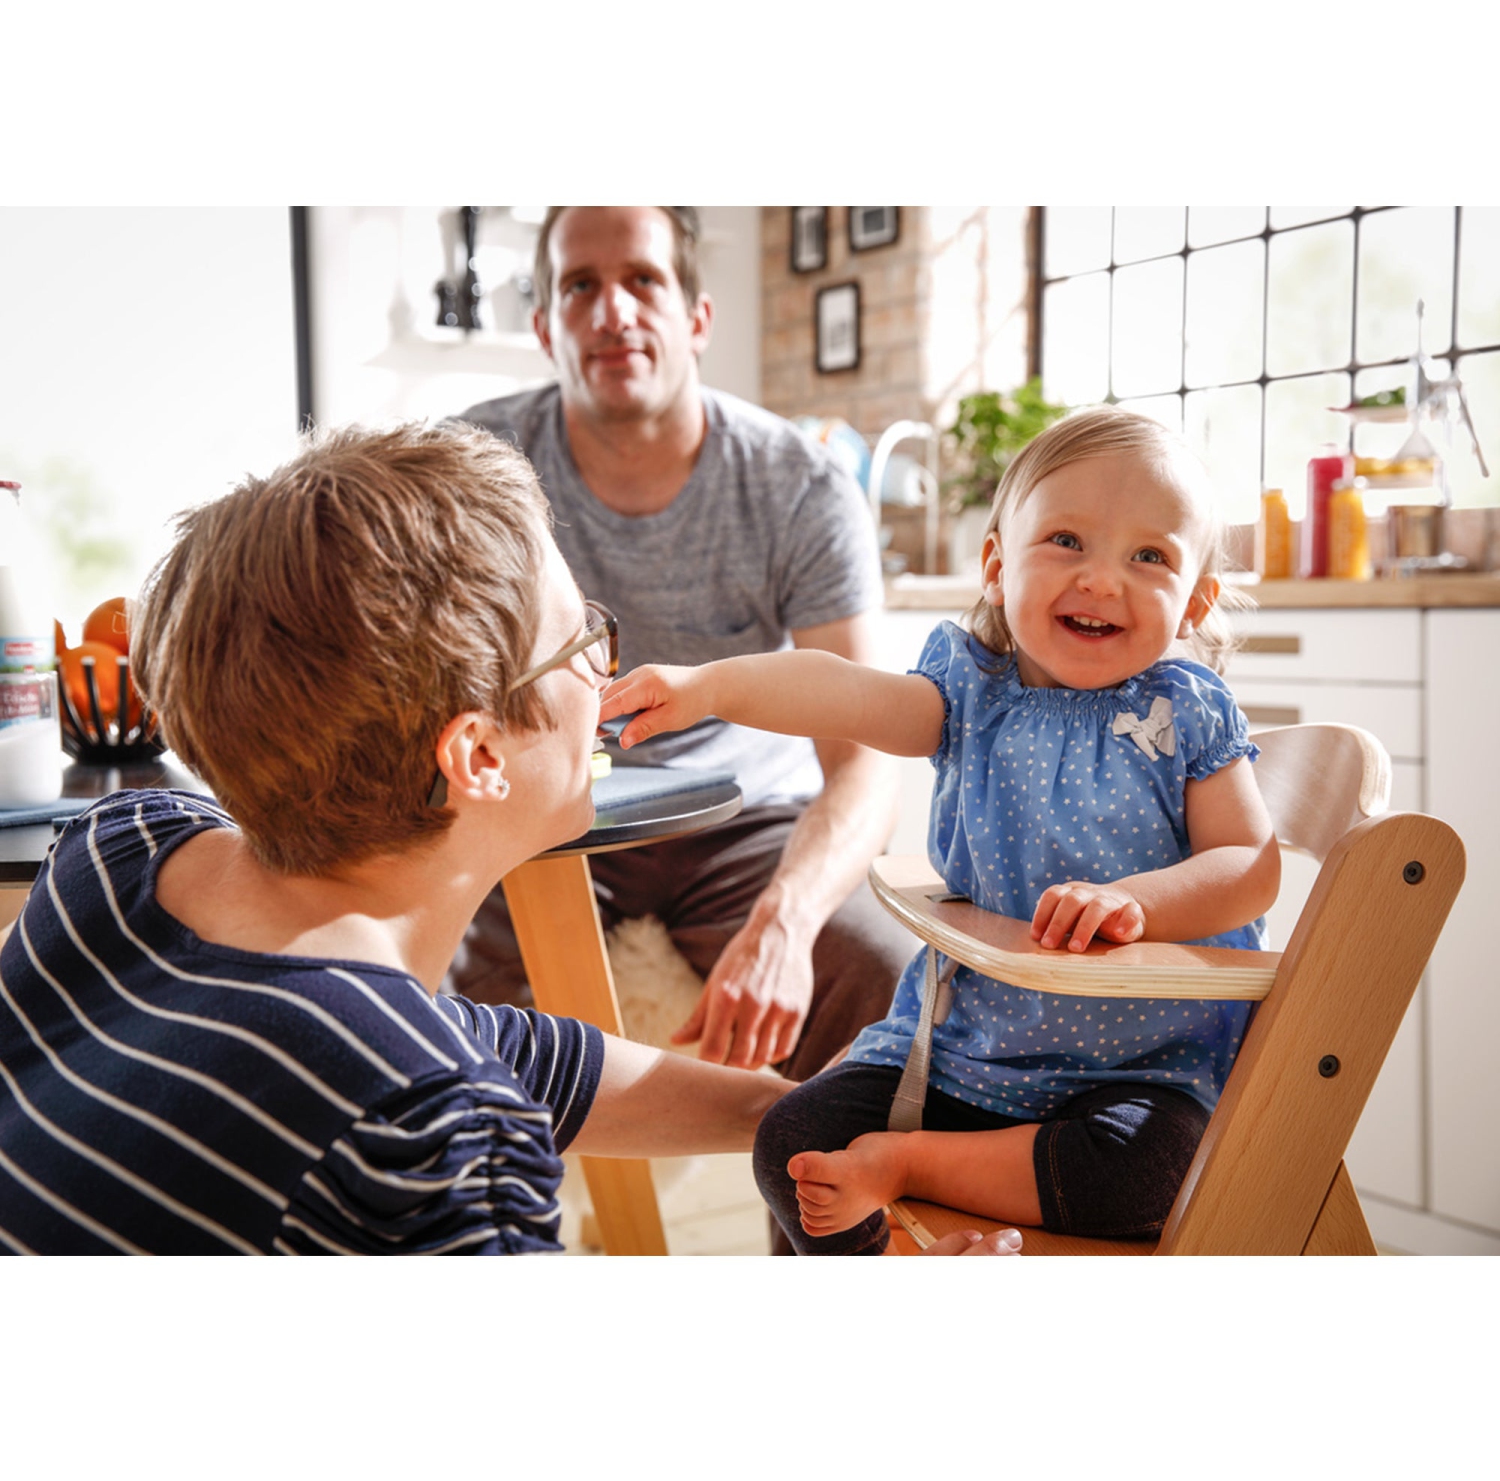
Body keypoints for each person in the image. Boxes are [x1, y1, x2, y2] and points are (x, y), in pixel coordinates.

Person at [0, 421, 1016, 1257]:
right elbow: (432, 1074)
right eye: (582, 645)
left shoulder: (119, 851)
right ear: (478, 754)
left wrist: (781, 1114)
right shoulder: (437, 1138)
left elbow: (487, 1044)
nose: (604, 677)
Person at [600, 406, 1281, 1254]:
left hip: (1138, 1075)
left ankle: (914, 1166)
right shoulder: (966, 693)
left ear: (1195, 602)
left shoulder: (1186, 710)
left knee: (1154, 1177)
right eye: (1066, 541)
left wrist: (1132, 902)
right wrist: (712, 687)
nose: (1103, 580)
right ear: (997, 565)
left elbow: (1249, 865)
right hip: (964, 1054)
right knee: (791, 1144)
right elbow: (838, 688)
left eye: (1150, 556)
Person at [450, 205, 910, 1094]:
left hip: (744, 822)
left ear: (696, 318)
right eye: (580, 286)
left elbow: (866, 762)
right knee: (446, 1020)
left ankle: (827, 1222)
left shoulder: (801, 487)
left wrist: (787, 919)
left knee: (880, 978)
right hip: (545, 814)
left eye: (643, 280)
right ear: (545, 328)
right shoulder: (475, 464)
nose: (613, 311)